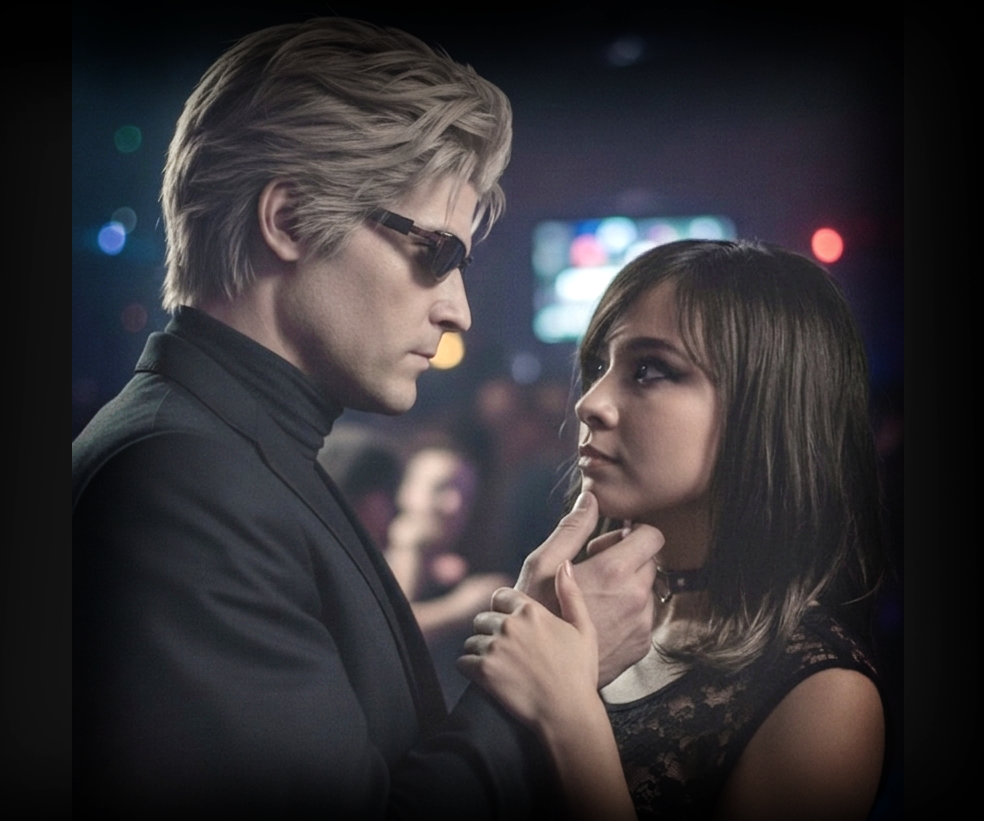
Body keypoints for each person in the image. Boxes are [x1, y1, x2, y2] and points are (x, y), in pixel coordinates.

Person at [71, 18, 663, 816]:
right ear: (288, 219)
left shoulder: (230, 452)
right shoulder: (183, 477)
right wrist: (549, 685)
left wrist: (537, 629)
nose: (457, 310)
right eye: (435, 253)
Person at [459, 239, 887, 821]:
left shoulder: (825, 696)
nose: (589, 403)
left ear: (765, 406)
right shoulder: (590, 609)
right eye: (598, 367)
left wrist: (568, 715)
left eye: (650, 370)